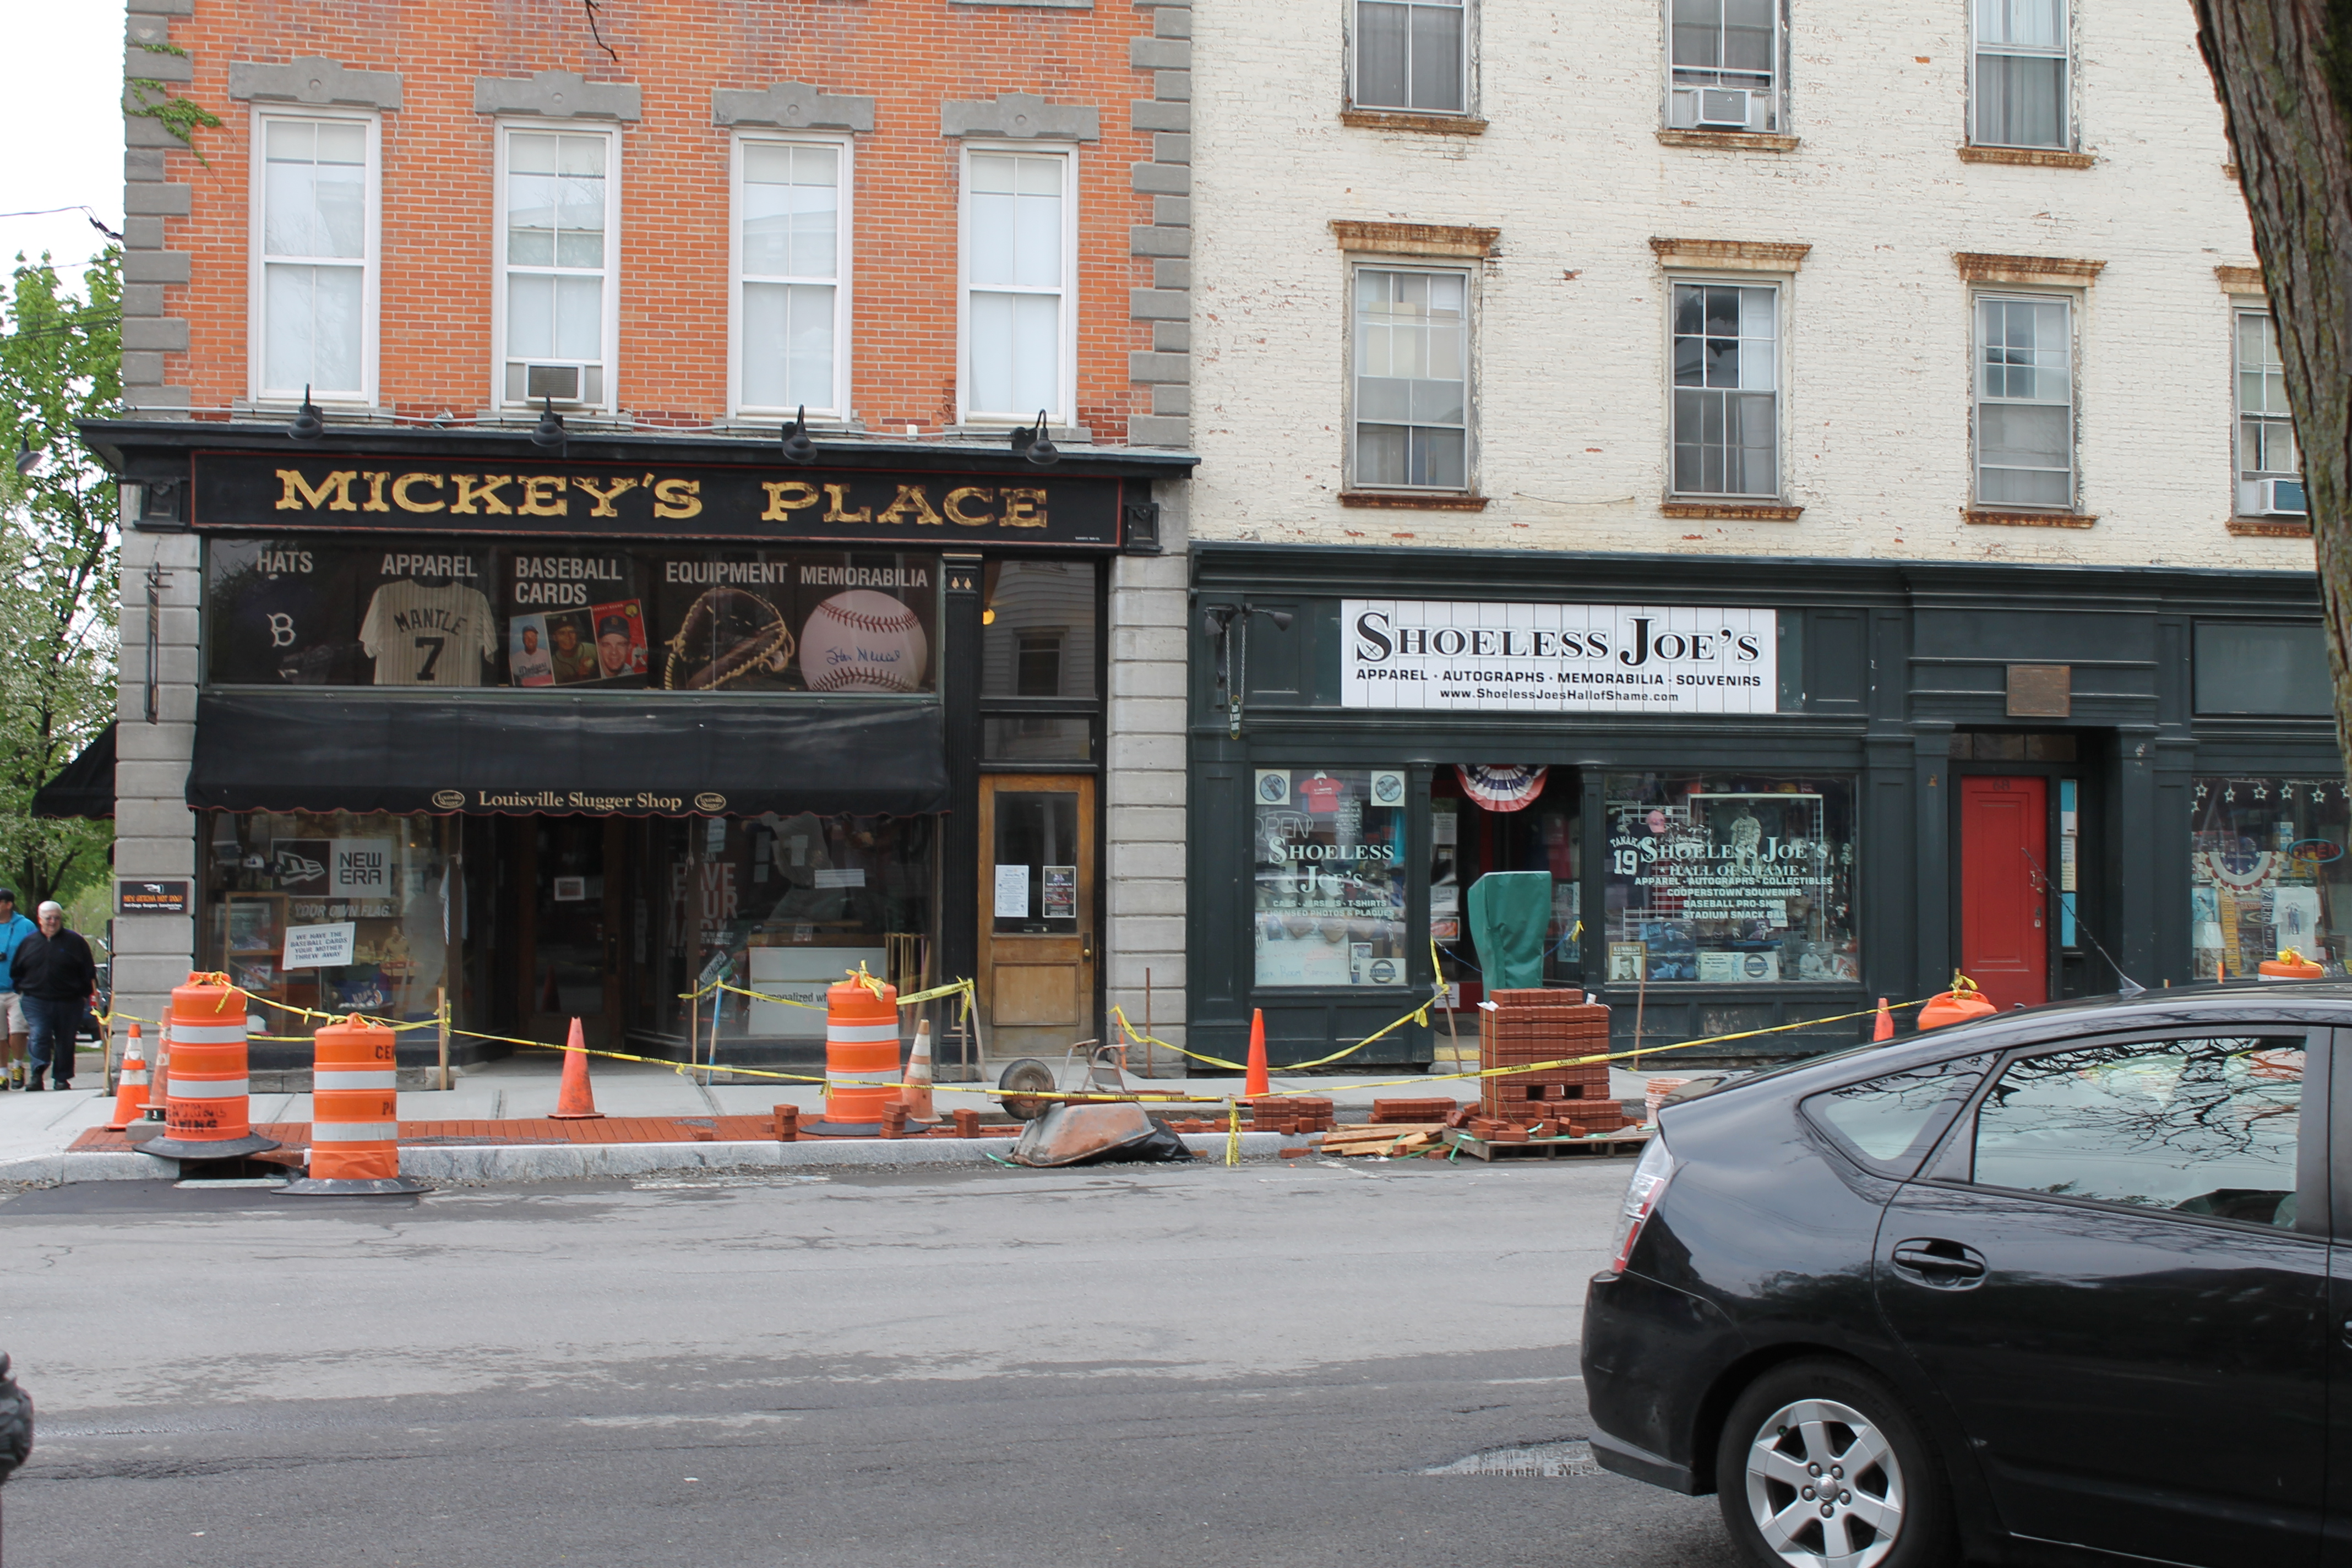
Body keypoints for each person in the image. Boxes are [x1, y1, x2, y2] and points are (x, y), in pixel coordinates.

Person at [14, 902, 96, 1092]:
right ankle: (37, 1074)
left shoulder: (75, 942)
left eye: (56, 918)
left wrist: (84, 994)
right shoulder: (29, 942)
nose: (52, 922)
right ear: (39, 919)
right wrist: (21, 989)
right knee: (39, 1034)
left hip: (69, 1000)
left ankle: (62, 1078)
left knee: (65, 1039)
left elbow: (88, 971)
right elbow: (17, 969)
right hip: (35, 999)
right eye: (48, 918)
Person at [0, 891, 32, 1090]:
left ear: (8, 904)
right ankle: (2, 1074)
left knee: (18, 1030)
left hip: (18, 989)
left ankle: (18, 1066)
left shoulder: (25, 926)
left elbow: (36, 951)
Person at [548, 617, 597, 683]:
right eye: (562, 633)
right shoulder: (553, 664)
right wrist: (578, 676)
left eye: (571, 632)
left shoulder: (593, 649)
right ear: (555, 638)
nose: (568, 637)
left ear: (576, 634)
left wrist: (596, 668)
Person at [595, 614, 638, 678]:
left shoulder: (628, 672)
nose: (614, 652)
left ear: (629, 648)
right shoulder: (590, 675)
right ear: (599, 648)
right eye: (607, 645)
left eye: (621, 645)